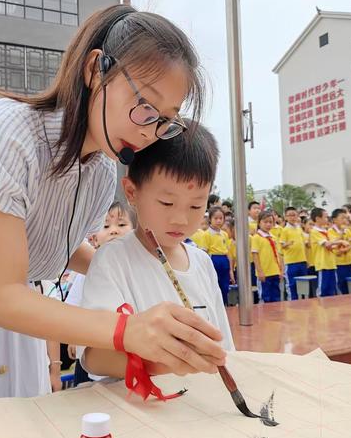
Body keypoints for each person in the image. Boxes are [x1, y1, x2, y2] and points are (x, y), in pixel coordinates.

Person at [0, 5, 226, 419]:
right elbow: (5, 295)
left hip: (22, 324)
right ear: (95, 69)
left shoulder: (98, 172)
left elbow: (54, 242)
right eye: (145, 104)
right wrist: (129, 330)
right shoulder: (9, 133)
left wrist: (137, 269)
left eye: (166, 120)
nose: (149, 131)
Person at [79, 123, 234, 379]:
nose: (181, 220)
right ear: (132, 192)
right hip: (139, 409)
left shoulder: (202, 262)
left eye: (196, 206)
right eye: (166, 202)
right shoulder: (114, 259)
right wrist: (165, 363)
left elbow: (224, 346)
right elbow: (96, 358)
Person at [66, 201, 136, 386]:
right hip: (93, 357)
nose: (113, 230)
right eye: (105, 226)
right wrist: (75, 339)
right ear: (94, 238)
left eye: (121, 224)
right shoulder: (86, 272)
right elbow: (73, 308)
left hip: (130, 356)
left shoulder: (139, 270)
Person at [310, 208, 348, 297]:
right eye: (325, 217)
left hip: (331, 263)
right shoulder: (314, 232)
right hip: (323, 264)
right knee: (323, 289)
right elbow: (326, 244)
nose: (327, 219)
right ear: (317, 218)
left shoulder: (325, 231)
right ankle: (321, 308)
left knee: (332, 289)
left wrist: (340, 244)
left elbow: (331, 246)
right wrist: (340, 242)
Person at [203, 206, 235, 305]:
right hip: (214, 259)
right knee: (214, 284)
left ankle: (224, 305)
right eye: (215, 218)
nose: (218, 221)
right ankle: (215, 305)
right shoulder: (207, 234)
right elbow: (204, 252)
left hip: (224, 259)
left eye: (221, 218)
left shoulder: (224, 234)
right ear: (210, 219)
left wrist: (231, 269)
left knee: (224, 286)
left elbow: (228, 252)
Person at [251, 211, 283, 303]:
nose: (268, 224)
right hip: (265, 273)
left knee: (276, 296)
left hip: (275, 271)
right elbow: (255, 255)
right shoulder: (257, 237)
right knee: (265, 297)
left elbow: (277, 254)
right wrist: (260, 271)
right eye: (265, 222)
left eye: (270, 222)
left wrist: (280, 270)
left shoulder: (273, 237)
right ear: (259, 222)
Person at [280, 207, 307, 300]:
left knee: (303, 283)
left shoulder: (299, 228)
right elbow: (281, 245)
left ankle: (303, 302)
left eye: (294, 215)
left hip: (302, 260)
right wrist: (287, 244)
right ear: (285, 217)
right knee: (292, 284)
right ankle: (292, 302)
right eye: (290, 215)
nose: (292, 217)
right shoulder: (285, 230)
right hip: (291, 262)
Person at [328, 209, 351, 295]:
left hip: (349, 262)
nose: (344, 220)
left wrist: (346, 248)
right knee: (340, 287)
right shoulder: (330, 231)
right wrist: (342, 235)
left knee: (350, 287)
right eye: (342, 218)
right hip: (338, 264)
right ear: (334, 220)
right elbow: (335, 250)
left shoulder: (348, 231)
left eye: (345, 218)